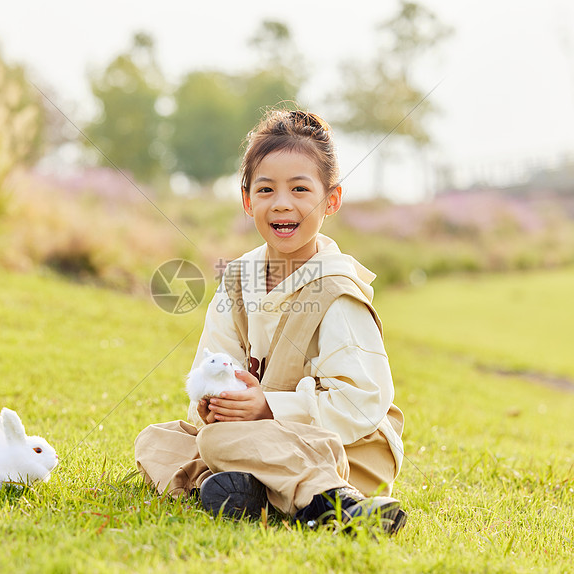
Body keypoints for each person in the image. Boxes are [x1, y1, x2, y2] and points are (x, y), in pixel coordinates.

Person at [134, 109, 406, 534]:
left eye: (301, 188)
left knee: (215, 443)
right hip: (258, 440)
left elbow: (362, 404)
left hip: (344, 450)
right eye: (266, 189)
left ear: (331, 199)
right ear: (247, 201)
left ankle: (333, 500)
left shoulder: (336, 289)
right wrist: (212, 405)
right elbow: (211, 367)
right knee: (157, 438)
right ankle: (247, 487)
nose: (282, 202)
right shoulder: (238, 280)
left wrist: (267, 407)